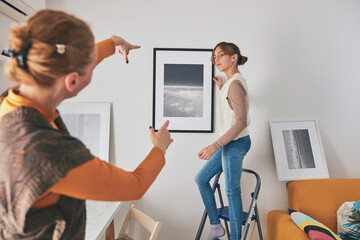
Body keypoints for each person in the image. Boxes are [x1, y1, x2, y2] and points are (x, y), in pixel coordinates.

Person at [0, 9, 173, 239]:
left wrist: (114, 43)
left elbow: (77, 57)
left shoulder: (8, 103)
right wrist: (159, 148)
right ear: (72, 81)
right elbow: (136, 186)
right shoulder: (55, 154)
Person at [195, 41, 251, 240]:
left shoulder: (235, 83)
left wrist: (214, 145)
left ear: (233, 57)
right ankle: (216, 226)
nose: (215, 59)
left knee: (232, 192)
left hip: (235, 143)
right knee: (201, 179)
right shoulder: (231, 83)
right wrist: (221, 87)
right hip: (232, 142)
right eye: (214, 56)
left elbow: (241, 121)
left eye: (220, 55)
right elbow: (232, 108)